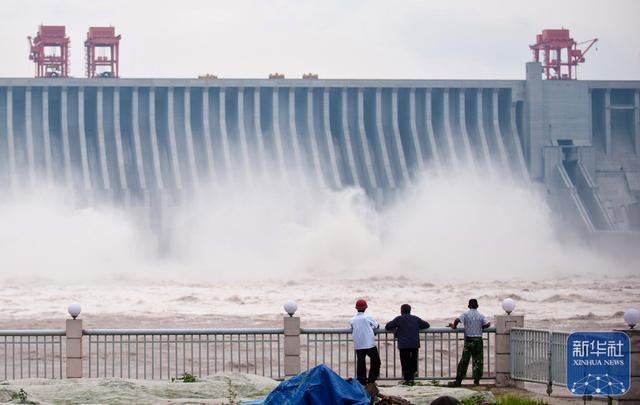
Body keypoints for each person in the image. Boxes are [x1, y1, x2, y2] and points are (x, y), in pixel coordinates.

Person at [447, 298, 490, 387]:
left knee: (464, 361)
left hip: (469, 340)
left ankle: (458, 381)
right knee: (478, 361)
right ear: (477, 306)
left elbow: (457, 319)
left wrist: (454, 326)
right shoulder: (481, 315)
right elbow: (488, 324)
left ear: (468, 306)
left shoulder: (466, 314)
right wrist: (481, 326)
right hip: (478, 340)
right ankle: (476, 381)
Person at [384, 304, 430, 384]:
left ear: (401, 311)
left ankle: (407, 380)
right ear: (410, 310)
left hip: (404, 345)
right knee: (413, 362)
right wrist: (415, 327)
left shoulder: (399, 319)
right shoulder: (416, 318)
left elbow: (388, 327)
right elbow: (426, 325)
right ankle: (412, 378)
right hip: (414, 344)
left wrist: (396, 328)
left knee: (405, 363)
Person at [350, 299, 381, 386]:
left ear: (356, 308)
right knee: (376, 361)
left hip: (358, 344)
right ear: (365, 308)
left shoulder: (352, 319)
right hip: (369, 343)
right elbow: (377, 325)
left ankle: (362, 381)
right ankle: (371, 380)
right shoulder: (368, 317)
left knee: (361, 363)